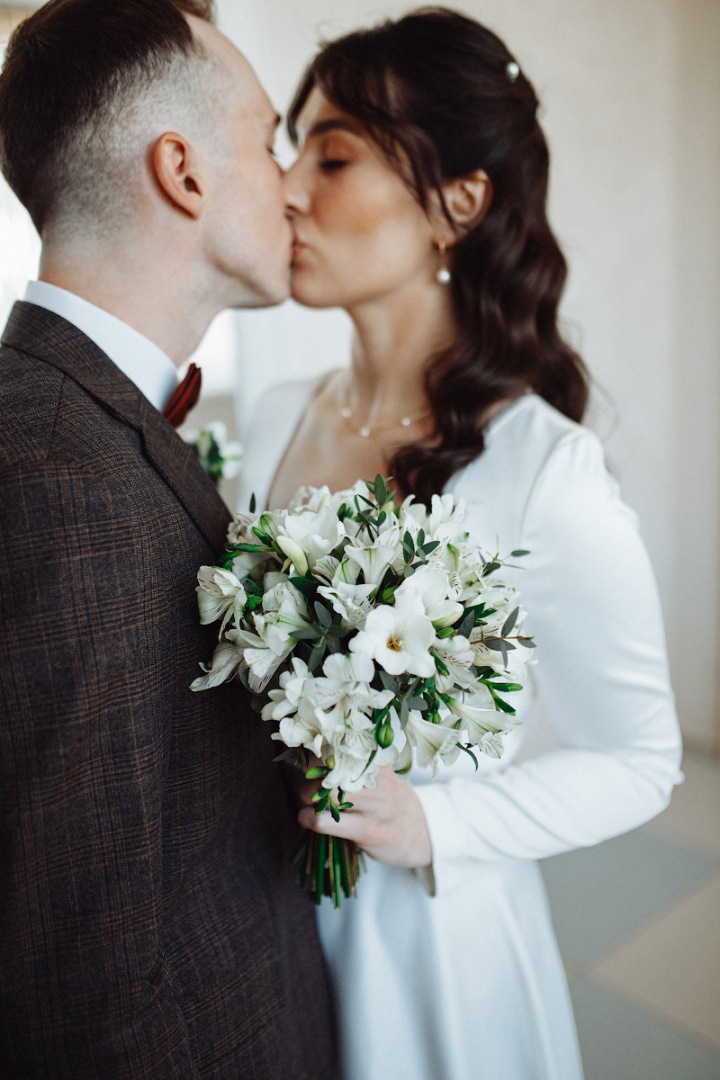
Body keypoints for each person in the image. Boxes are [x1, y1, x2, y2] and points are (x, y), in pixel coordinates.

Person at [239, 9, 683, 1080]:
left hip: (425, 951)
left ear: (458, 204)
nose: (288, 188)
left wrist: (432, 820)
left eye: (333, 155)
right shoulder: (267, 417)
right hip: (255, 923)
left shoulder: (545, 470)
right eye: (291, 152)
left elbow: (641, 760)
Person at [0, 1, 336, 1077]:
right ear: (183, 172)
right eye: (271, 138)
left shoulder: (88, 419)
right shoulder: (59, 474)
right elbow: (75, 978)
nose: (293, 183)